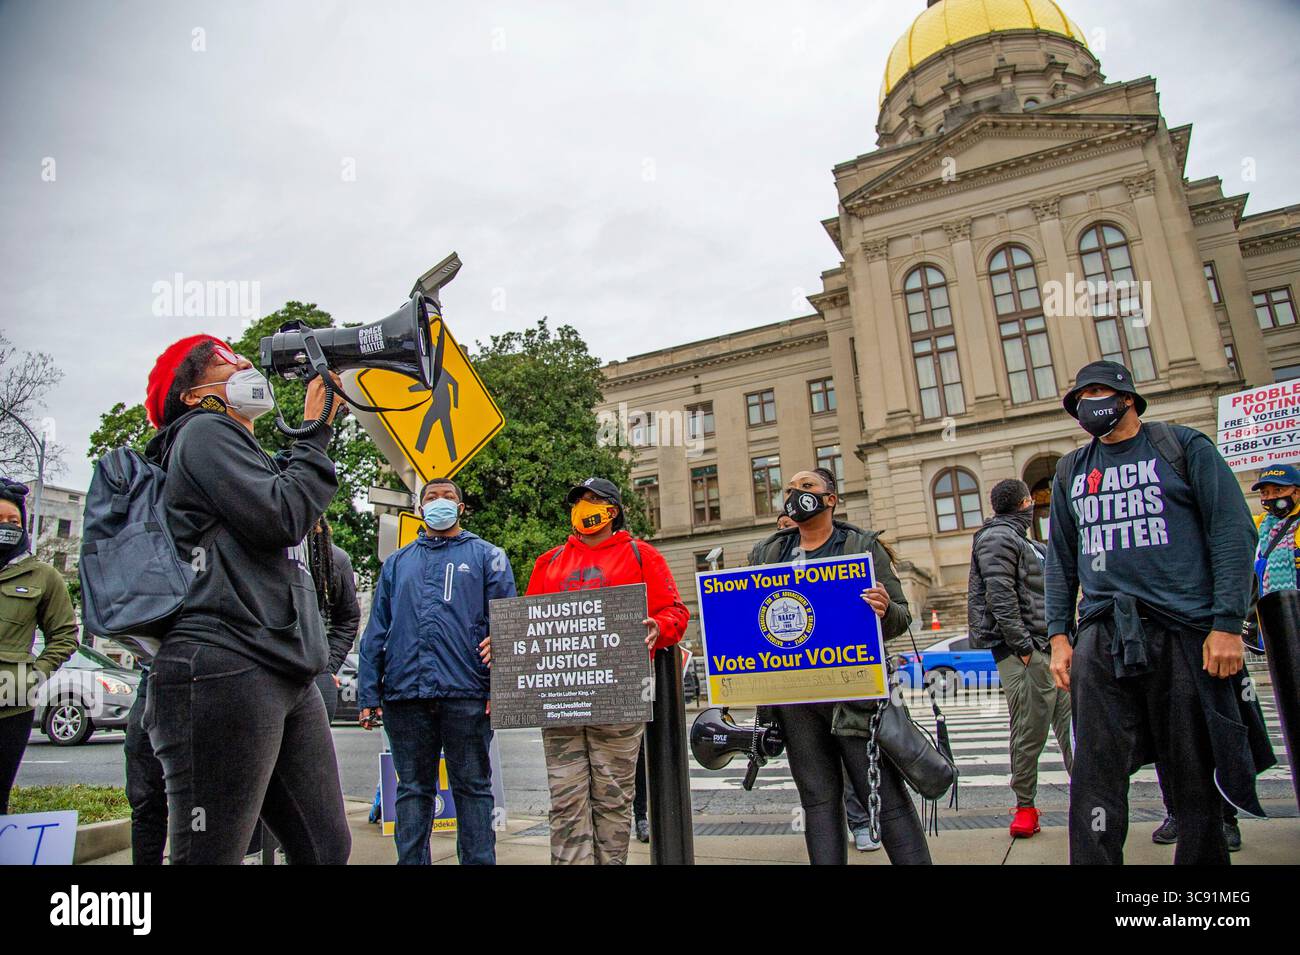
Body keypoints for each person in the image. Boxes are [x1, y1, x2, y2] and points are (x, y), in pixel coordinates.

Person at [1045, 360, 1273, 865]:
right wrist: (1059, 638)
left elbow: (1233, 534)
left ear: (1128, 398)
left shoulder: (1183, 447)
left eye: (1099, 392)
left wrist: (1227, 624)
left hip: (1184, 630)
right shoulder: (1071, 469)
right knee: (1096, 773)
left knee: (1191, 766)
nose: (1088, 404)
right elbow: (1060, 558)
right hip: (1104, 634)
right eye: (1080, 397)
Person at [141, 334, 351, 864]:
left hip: (284, 671)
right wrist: (317, 432)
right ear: (190, 395)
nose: (239, 364)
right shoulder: (203, 433)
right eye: (220, 361)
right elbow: (281, 515)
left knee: (325, 848)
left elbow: (281, 502)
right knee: (212, 853)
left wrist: (310, 434)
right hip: (227, 668)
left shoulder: (246, 453)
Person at [748, 467, 931, 865]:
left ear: (831, 498)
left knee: (883, 796)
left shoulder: (862, 546)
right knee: (818, 801)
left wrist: (884, 609)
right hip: (797, 701)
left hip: (855, 698)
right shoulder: (767, 552)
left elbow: (901, 617)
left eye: (807, 487)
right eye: (791, 488)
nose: (796, 493)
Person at [525, 477, 689, 865]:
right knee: (565, 799)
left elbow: (676, 614)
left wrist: (658, 627)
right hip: (561, 700)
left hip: (619, 698)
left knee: (613, 799)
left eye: (593, 500)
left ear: (612, 510)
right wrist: (503, 643)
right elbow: (528, 624)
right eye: (578, 501)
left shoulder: (641, 555)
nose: (583, 507)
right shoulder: (548, 562)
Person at [358, 477, 516, 865]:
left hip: (468, 694)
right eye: (431, 497)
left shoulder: (488, 556)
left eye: (448, 497)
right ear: (420, 508)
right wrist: (367, 694)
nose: (439, 502)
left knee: (474, 789)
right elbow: (377, 629)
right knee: (412, 791)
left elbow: (508, 624)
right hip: (405, 695)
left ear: (461, 508)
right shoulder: (397, 563)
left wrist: (502, 687)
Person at [967, 477, 1072, 839]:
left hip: (1050, 647)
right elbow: (1000, 596)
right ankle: (1025, 805)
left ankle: (1090, 798)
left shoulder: (1025, 540)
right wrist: (1024, 649)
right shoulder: (998, 537)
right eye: (1031, 502)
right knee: (1029, 730)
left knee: (1074, 728)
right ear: (1025, 503)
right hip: (1024, 652)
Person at [0, 478, 79, 814]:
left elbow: (65, 636)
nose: (7, 527)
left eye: (13, 521)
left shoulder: (43, 576)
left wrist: (35, 674)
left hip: (11, 703)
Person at [306, 516, 361, 722]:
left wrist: (327, 665)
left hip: (314, 677)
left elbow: (348, 619)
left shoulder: (335, 559)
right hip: (261, 674)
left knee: (311, 754)